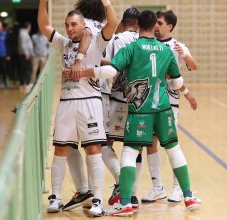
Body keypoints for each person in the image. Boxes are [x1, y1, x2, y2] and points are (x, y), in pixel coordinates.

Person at [72, 10, 201, 216]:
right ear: (154, 27)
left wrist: (87, 72)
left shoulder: (132, 47)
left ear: (138, 24)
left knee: (130, 153)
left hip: (140, 111)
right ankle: (188, 196)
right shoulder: (166, 50)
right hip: (164, 109)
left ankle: (125, 202)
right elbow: (176, 82)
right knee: (174, 149)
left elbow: (111, 72)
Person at [38, 0, 117, 216]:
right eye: (67, 25)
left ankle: (98, 200)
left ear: (84, 25)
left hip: (90, 101)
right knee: (61, 150)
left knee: (94, 150)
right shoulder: (63, 43)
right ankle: (55, 197)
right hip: (66, 103)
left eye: (74, 24)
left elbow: (113, 22)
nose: (70, 28)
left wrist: (107, 3)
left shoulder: (97, 42)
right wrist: (42, 3)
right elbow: (44, 26)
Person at [141, 9, 199, 204]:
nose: (156, 25)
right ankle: (157, 187)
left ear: (170, 26)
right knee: (151, 143)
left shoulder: (177, 46)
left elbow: (193, 66)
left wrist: (184, 55)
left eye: (159, 22)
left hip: (169, 102)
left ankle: (178, 188)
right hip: (150, 103)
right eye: (155, 22)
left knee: (171, 144)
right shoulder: (150, 43)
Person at [101, 6, 140, 208]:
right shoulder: (144, 42)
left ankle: (120, 183)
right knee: (134, 148)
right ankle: (133, 194)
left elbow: (110, 65)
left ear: (123, 22)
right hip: (140, 102)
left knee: (103, 143)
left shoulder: (118, 39)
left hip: (119, 99)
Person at [17, 21, 34, 91]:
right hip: (24, 55)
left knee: (23, 69)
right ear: (28, 27)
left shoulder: (24, 33)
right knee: (28, 69)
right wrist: (27, 53)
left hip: (24, 54)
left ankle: (22, 84)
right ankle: (26, 84)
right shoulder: (23, 34)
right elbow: (23, 44)